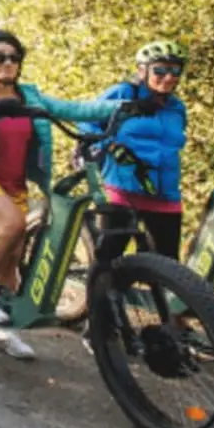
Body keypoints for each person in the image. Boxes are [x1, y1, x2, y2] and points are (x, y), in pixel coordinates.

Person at [0, 29, 124, 360]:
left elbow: (77, 109)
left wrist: (125, 106)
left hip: (15, 183)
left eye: (13, 57)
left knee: (13, 255)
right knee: (13, 226)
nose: (7, 62)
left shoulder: (30, 96)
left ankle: (3, 332)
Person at [77, 40, 189, 351]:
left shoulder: (176, 107)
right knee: (109, 257)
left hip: (163, 193)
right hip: (122, 187)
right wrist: (103, 146)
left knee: (167, 265)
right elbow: (86, 120)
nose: (168, 77)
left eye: (175, 71)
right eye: (160, 70)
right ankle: (97, 326)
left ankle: (166, 330)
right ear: (143, 71)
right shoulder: (121, 94)